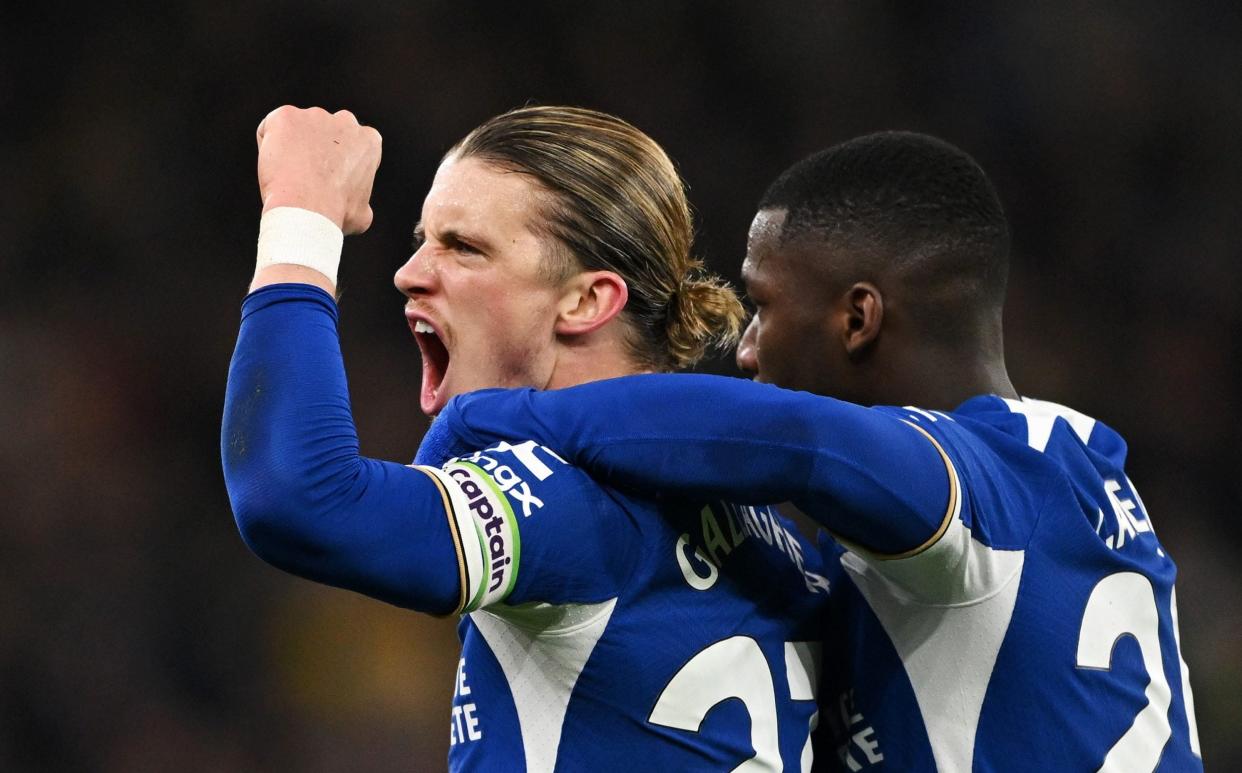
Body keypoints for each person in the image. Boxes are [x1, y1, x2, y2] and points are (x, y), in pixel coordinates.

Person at [423, 131, 1204, 771]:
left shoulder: (989, 485)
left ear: (857, 318)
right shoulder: (1069, 459)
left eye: (762, 307)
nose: (747, 351)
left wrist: (497, 416)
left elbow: (791, 440)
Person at [221, 104, 833, 771]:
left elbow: (298, 496)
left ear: (585, 301)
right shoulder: (775, 539)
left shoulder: (576, 494)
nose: (410, 271)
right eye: (425, 238)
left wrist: (300, 215)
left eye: (464, 247)